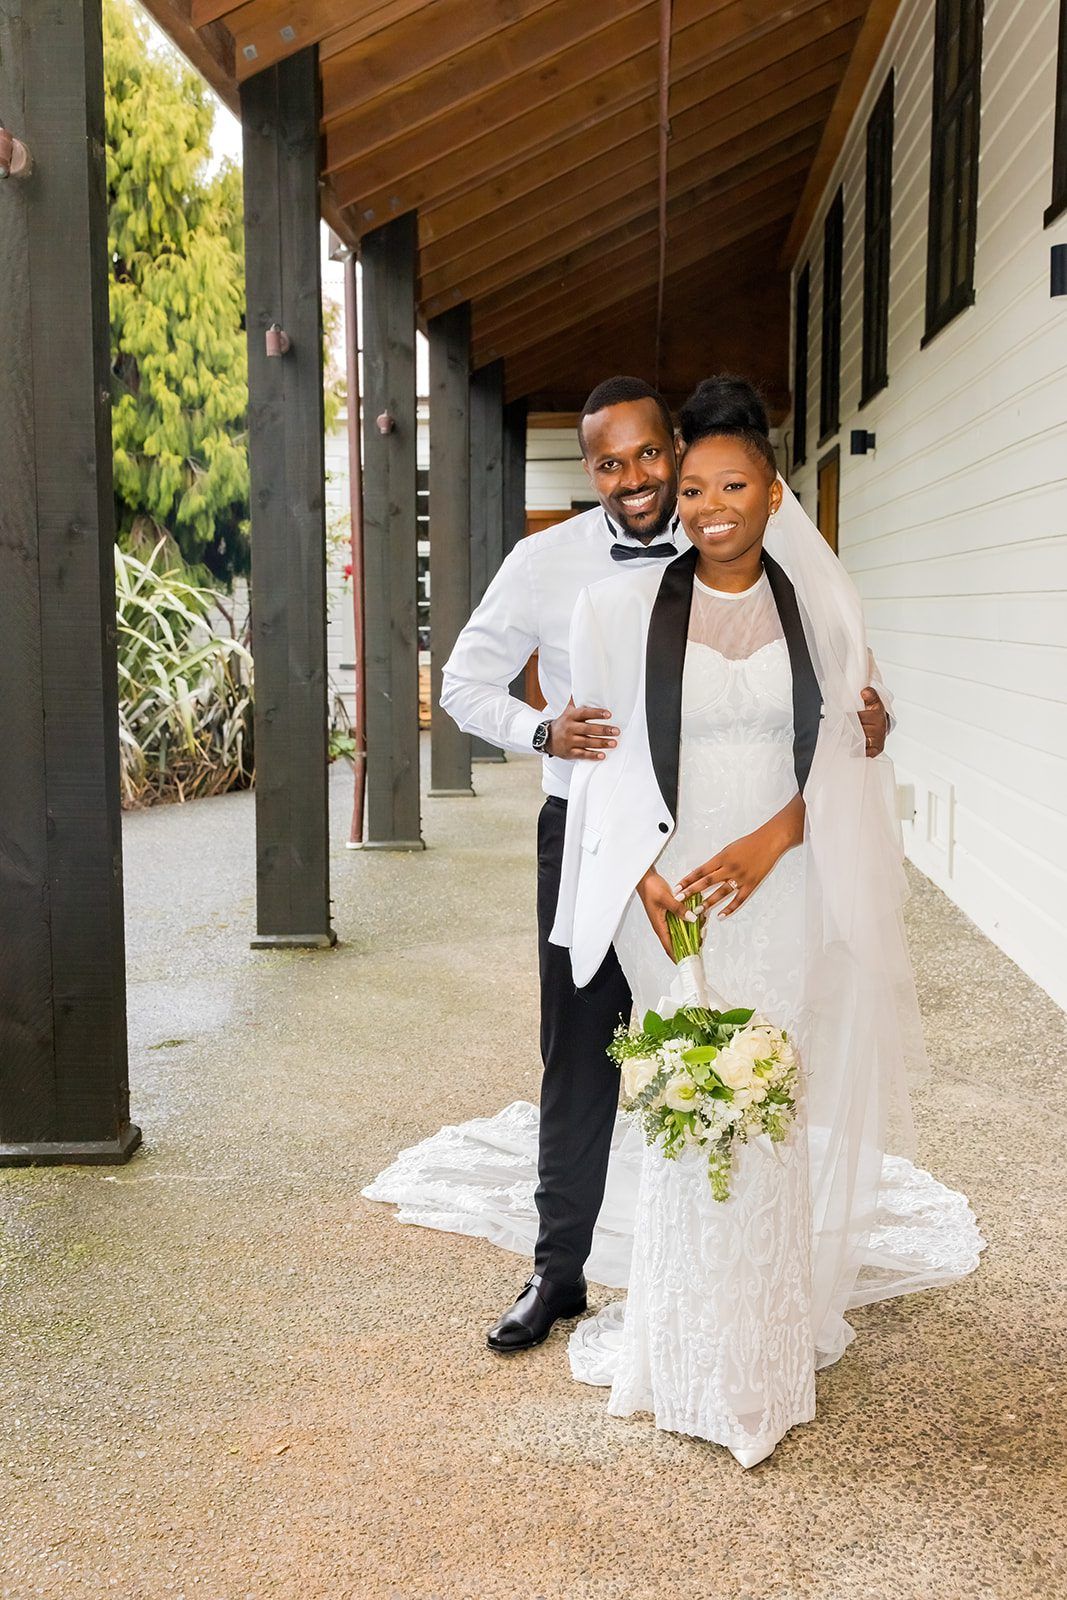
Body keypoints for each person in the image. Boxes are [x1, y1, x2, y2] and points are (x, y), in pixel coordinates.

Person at [431, 378, 891, 1354]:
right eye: (609, 461)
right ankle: (557, 1271)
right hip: (594, 838)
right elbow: (462, 681)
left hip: (726, 847)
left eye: (649, 456)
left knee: (725, 1047)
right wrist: (540, 725)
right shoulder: (543, 564)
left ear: (674, 452)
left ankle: (735, 1275)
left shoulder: (725, 535)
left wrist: (864, 715)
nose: (634, 478)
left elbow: (823, 676)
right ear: (588, 466)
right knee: (582, 1047)